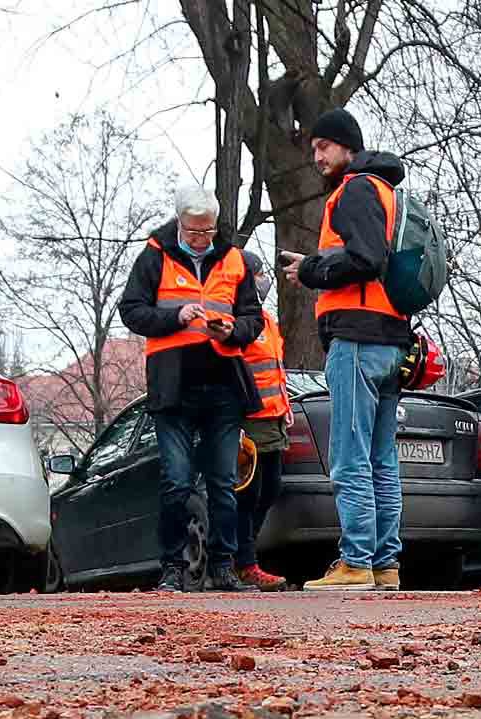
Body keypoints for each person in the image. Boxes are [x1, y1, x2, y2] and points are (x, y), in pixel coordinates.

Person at [280, 108, 410, 592]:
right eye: (314, 149)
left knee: (350, 456)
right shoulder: (386, 191)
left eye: (324, 147)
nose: (317, 156)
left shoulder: (355, 189)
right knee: (381, 459)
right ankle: (384, 563)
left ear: (348, 148)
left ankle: (356, 562)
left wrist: (313, 271)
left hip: (357, 339)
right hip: (391, 340)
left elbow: (365, 258)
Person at [119, 186, 264, 593]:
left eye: (209, 231)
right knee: (177, 481)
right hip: (173, 387)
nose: (202, 238)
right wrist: (176, 316)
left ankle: (223, 566)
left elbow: (253, 320)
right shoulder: (154, 256)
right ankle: (172, 567)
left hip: (223, 386)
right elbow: (131, 311)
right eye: (195, 231)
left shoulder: (233, 260)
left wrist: (233, 328)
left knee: (223, 481)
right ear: (180, 223)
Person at [232, 252, 291, 591]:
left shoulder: (267, 321)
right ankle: (243, 562)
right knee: (248, 495)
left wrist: (286, 408)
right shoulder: (237, 321)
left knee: (269, 490)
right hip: (250, 422)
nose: (265, 280)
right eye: (260, 274)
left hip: (274, 419)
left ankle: (245, 557)